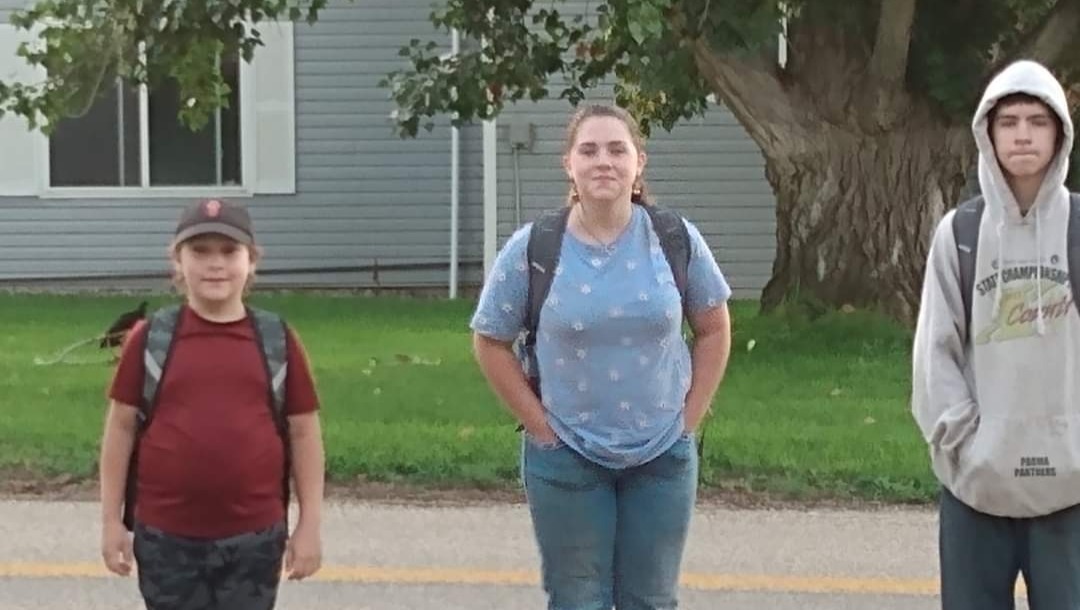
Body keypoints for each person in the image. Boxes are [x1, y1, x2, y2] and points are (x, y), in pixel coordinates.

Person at [470, 103, 733, 609]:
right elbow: (489, 340)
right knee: (577, 600)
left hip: (662, 454)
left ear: (639, 162)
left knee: (650, 599)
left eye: (617, 149)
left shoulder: (674, 238)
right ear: (569, 164)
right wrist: (541, 429)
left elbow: (714, 327)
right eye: (588, 150)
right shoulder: (534, 248)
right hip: (566, 456)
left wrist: (689, 420)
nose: (603, 161)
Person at [98, 198, 325, 610]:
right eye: (200, 251)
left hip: (254, 537)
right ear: (177, 261)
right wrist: (111, 521)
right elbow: (121, 428)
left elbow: (305, 432)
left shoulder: (277, 340)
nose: (215, 264)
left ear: (251, 261)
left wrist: (309, 525)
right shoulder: (150, 339)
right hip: (166, 538)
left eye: (229, 251)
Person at [912, 59, 1079, 609]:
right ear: (988, 132)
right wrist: (967, 443)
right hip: (977, 487)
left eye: (1037, 121)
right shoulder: (959, 233)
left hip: (1070, 490)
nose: (1023, 135)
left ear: (1060, 133)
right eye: (1009, 122)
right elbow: (935, 354)